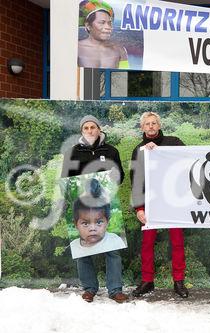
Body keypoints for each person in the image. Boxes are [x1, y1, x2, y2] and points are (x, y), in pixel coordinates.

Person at [61, 115, 127, 303]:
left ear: (99, 129)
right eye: (86, 128)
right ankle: (89, 288)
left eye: (93, 127)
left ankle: (115, 289)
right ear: (82, 131)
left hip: (104, 204)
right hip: (81, 205)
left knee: (112, 248)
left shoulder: (111, 151)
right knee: (84, 249)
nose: (90, 130)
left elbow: (119, 176)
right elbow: (66, 179)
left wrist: (111, 177)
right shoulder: (72, 152)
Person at [130, 111, 188, 298]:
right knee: (147, 244)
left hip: (173, 202)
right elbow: (136, 180)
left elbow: (188, 162)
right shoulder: (138, 150)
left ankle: (178, 281)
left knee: (177, 242)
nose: (151, 126)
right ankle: (147, 281)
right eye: (147, 124)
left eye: (154, 123)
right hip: (150, 203)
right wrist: (139, 208)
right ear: (142, 127)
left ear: (159, 125)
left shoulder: (174, 142)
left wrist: (162, 152)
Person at [70, 179, 127, 259]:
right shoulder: (73, 247)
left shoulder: (114, 241)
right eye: (85, 223)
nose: (92, 228)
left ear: (107, 222)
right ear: (76, 225)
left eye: (99, 222)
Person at [78, 0, 129, 69]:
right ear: (88, 26)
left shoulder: (120, 50)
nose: (108, 27)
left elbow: (120, 77)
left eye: (109, 23)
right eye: (102, 22)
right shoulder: (76, 48)